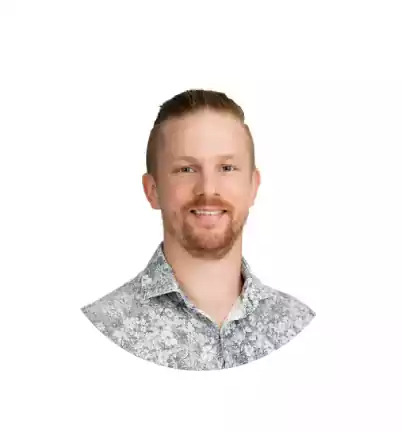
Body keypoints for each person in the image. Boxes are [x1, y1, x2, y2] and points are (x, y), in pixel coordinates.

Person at [81, 89, 315, 371]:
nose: (208, 189)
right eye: (186, 169)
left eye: (226, 167)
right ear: (152, 190)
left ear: (253, 187)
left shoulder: (299, 327)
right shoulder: (101, 330)